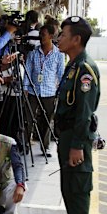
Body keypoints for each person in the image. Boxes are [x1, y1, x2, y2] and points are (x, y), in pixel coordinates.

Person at [48, 16, 100, 214]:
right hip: (68, 136)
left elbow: (84, 113)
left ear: (76, 39)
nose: (59, 38)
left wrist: (78, 146)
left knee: (78, 188)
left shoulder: (85, 70)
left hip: (76, 139)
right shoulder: (73, 65)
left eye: (64, 35)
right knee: (69, 187)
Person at [23, 24, 64, 157]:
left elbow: (60, 74)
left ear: (51, 37)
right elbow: (28, 70)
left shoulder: (58, 55)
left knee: (46, 121)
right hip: (33, 91)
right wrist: (25, 87)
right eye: (40, 34)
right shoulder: (34, 53)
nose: (41, 37)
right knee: (28, 119)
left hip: (49, 92)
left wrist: (60, 91)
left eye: (43, 35)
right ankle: (25, 144)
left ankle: (44, 147)